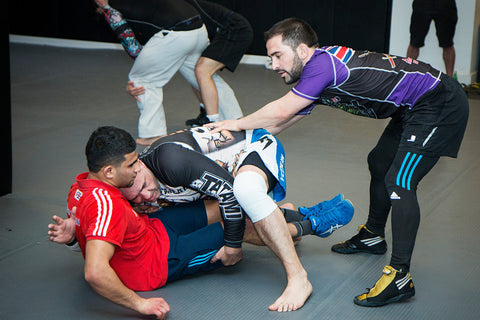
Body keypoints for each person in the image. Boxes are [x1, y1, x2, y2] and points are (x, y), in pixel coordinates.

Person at [206, 17, 469, 307]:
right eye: (270, 58)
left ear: (303, 51)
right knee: (380, 162)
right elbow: (283, 121)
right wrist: (233, 146)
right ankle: (373, 236)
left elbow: (281, 110)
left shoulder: (321, 66)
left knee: (400, 181)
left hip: (437, 102)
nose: (273, 65)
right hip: (411, 107)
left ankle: (400, 277)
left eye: (278, 55)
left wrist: (234, 123)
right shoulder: (316, 72)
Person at [49, 126, 355, 313]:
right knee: (233, 227)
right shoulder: (105, 203)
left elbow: (93, 230)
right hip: (160, 260)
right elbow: (95, 272)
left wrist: (74, 236)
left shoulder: (80, 187)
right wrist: (140, 304)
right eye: (131, 165)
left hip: (153, 229)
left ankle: (283, 218)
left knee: (223, 207)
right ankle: (305, 225)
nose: (137, 166)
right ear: (109, 172)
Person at [94, 0, 242, 146]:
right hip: (197, 28)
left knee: (142, 80)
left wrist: (106, 8)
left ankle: (153, 134)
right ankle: (234, 118)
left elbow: (132, 47)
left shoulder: (111, 9)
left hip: (176, 33)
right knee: (203, 76)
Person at [183, 0, 252, 126]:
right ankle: (205, 113)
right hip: (220, 33)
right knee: (193, 68)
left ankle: (212, 121)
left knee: (202, 70)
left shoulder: (188, 5)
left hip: (235, 30)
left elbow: (208, 23)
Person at [406, 0, 457, 77]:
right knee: (414, 42)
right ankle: (406, 75)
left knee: (447, 44)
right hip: (422, 3)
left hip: (445, 4)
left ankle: (450, 79)